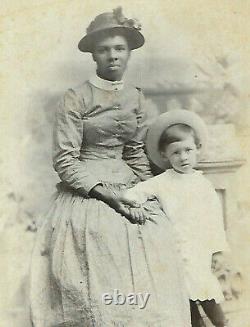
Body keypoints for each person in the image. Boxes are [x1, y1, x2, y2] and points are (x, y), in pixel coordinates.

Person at [30, 7, 191, 327]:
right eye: (104, 50)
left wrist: (152, 192)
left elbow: (134, 153)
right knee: (101, 240)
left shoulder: (137, 98)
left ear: (129, 53)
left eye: (119, 49)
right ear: (93, 56)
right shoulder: (75, 98)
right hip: (87, 189)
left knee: (158, 232)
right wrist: (109, 196)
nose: (112, 56)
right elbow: (65, 160)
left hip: (129, 182)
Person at [122, 110, 230, 327]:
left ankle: (222, 324)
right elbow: (132, 194)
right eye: (176, 153)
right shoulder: (162, 182)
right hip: (175, 248)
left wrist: (217, 250)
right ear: (165, 156)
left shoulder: (203, 184)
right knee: (184, 297)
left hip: (199, 248)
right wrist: (137, 205)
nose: (183, 157)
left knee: (204, 291)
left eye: (188, 150)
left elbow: (214, 220)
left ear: (197, 149)